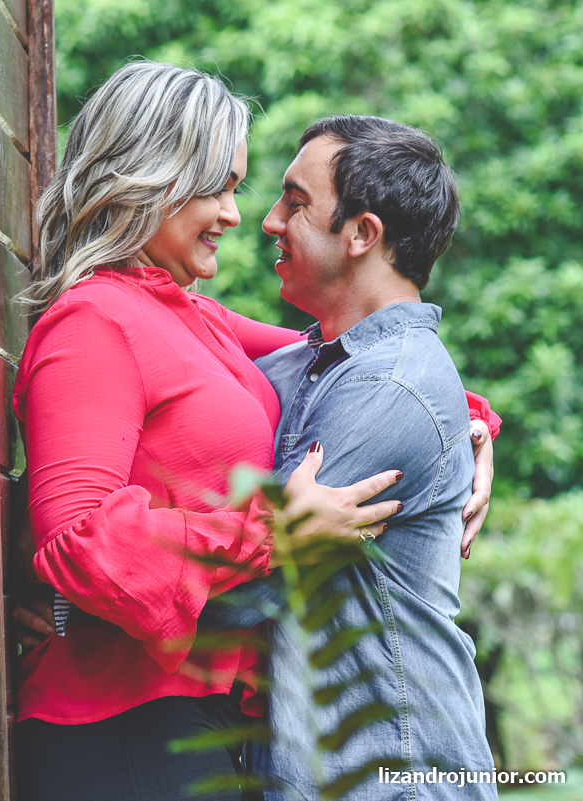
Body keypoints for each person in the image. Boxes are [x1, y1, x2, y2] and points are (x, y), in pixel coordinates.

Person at [9, 62, 498, 801]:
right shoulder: (93, 322)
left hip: (210, 720)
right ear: (150, 179)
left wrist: (469, 424)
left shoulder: (194, 318)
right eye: (220, 187)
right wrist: (273, 529)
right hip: (123, 728)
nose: (240, 216)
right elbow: (77, 539)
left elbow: (369, 364)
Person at [195, 116, 498, 800]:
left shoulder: (392, 386)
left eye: (295, 202)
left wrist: (73, 607)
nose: (269, 222)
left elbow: (242, 588)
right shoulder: (308, 364)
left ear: (362, 234)